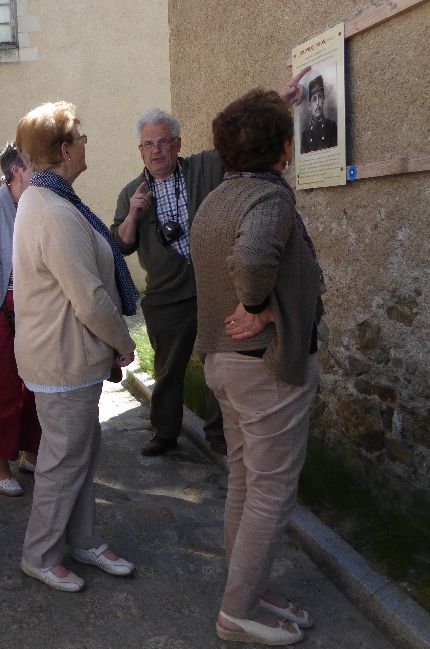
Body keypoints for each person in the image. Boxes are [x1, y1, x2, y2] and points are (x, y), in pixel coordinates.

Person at [111, 69, 310, 457]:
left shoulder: (204, 167)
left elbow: (243, 136)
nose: (156, 151)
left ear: (177, 144)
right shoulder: (130, 192)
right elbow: (122, 245)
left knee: (220, 357)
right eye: (148, 145)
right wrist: (134, 214)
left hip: (214, 287)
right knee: (169, 369)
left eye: (163, 143)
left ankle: (219, 431)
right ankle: (165, 430)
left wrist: (280, 101)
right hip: (167, 297)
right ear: (140, 151)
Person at [193, 88, 324, 646]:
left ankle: (247, 589)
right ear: (285, 148)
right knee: (270, 493)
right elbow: (251, 258)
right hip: (264, 367)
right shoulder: (271, 201)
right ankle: (236, 612)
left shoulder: (217, 198)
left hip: (226, 365)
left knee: (245, 485)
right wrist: (255, 305)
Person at [13, 101, 138, 593]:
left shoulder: (48, 201)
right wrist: (123, 342)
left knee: (81, 456)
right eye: (81, 138)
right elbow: (87, 297)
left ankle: (82, 539)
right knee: (63, 463)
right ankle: (40, 553)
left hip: (70, 358)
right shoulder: (53, 210)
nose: (87, 144)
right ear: (64, 150)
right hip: (64, 360)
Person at [0, 143, 41, 497]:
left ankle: (30, 452)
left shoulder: (34, 207)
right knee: (5, 392)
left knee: (34, 387)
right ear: (17, 171)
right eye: (34, 166)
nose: (41, 172)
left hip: (33, 312)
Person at [300, 74, 337, 153]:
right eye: (314, 99)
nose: (317, 104)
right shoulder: (305, 135)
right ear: (310, 106)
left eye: (319, 97)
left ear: (323, 99)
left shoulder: (332, 127)